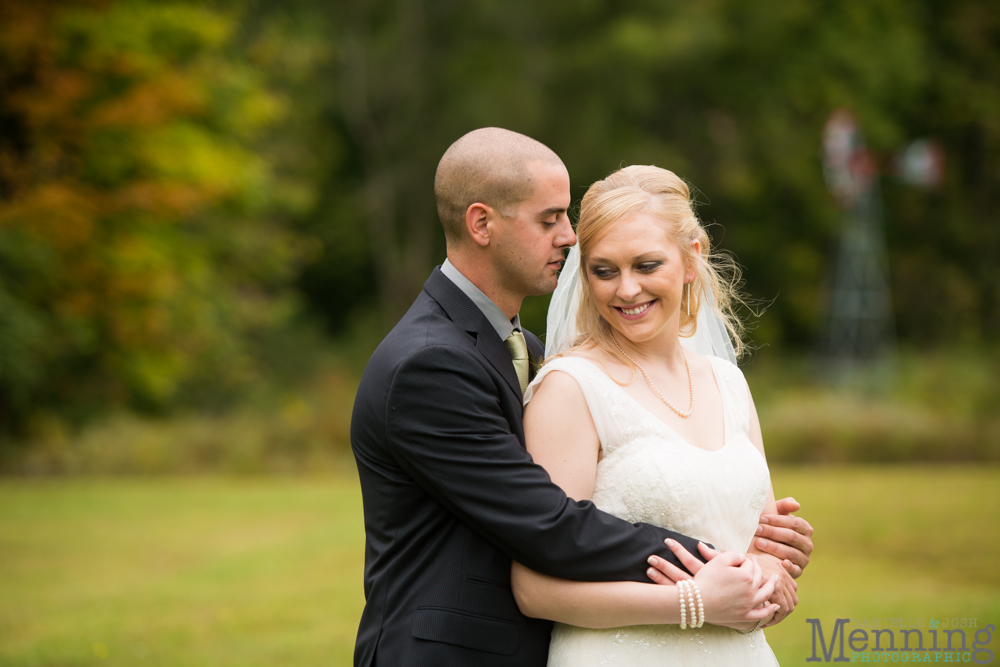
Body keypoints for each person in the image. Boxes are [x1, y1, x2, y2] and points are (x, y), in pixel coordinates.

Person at [350, 128, 813, 667]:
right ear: (481, 223)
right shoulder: (430, 363)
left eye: (567, 217)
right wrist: (715, 566)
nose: (569, 236)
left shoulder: (525, 347)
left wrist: (767, 556)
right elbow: (551, 523)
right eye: (550, 219)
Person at [511, 164, 803, 665]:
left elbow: (755, 546)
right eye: (604, 271)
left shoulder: (727, 383)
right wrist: (693, 604)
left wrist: (772, 577)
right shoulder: (569, 389)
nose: (626, 290)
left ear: (692, 259)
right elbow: (536, 590)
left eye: (646, 266)